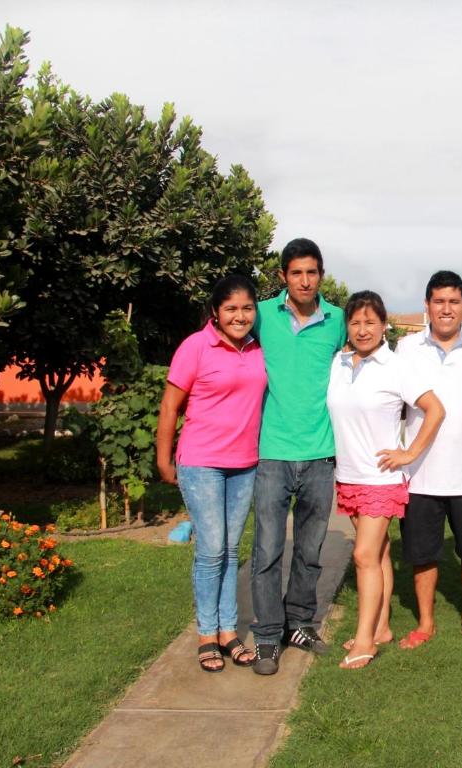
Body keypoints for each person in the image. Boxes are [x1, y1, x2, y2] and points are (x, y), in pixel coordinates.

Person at [327, 290, 445, 669]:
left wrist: (409, 453)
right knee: (377, 554)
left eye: (370, 322)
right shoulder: (338, 364)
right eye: (355, 322)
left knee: (363, 555)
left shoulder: (396, 366)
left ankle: (364, 641)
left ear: (383, 326)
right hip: (348, 476)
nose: (362, 330)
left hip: (380, 479)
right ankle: (381, 628)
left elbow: (435, 410)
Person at [157, 274, 268, 672]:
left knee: (231, 549)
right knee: (211, 550)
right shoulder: (196, 346)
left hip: (244, 463)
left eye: (247, 308)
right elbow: (170, 406)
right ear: (216, 313)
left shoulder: (258, 348)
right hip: (201, 461)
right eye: (231, 309)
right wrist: (164, 459)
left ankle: (228, 631)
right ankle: (207, 634)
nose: (240, 316)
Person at [250, 238, 346, 676]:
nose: (304, 281)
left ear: (320, 275)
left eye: (312, 272)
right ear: (283, 276)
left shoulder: (338, 320)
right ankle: (268, 636)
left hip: (321, 455)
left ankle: (300, 623)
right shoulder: (261, 315)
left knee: (310, 549)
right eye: (296, 273)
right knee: (268, 550)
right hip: (273, 453)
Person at [395, 270, 462, 649]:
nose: (447, 309)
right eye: (439, 301)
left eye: (454, 301)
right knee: (422, 554)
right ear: (427, 305)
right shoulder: (406, 348)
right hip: (420, 473)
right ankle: (425, 622)